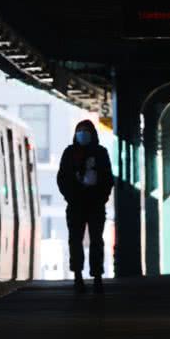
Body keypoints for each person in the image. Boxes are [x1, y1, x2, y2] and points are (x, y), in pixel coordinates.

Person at [57, 120, 114, 293]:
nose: (82, 134)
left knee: (96, 240)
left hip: (95, 204)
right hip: (76, 204)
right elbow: (62, 178)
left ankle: (97, 276)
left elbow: (108, 178)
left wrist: (102, 197)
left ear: (92, 133)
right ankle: (78, 276)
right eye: (79, 131)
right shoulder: (69, 153)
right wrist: (71, 196)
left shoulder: (101, 153)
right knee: (75, 240)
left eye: (86, 131)